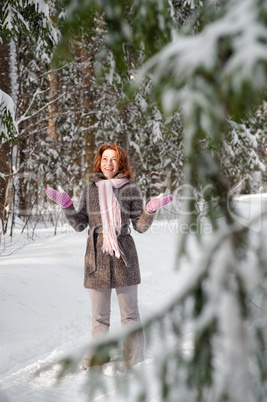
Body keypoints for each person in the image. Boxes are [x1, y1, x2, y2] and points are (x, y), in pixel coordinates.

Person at [45, 144, 172, 370]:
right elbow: (80, 224)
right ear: (99, 161)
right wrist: (66, 205)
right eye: (105, 158)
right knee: (99, 318)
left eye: (113, 159)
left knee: (130, 316)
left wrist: (151, 209)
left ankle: (133, 360)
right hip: (97, 256)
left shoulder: (130, 189)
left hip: (124, 255)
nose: (108, 163)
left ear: (121, 163)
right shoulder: (90, 189)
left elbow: (140, 226)